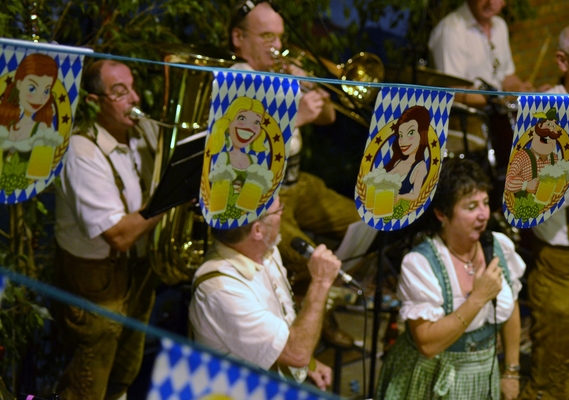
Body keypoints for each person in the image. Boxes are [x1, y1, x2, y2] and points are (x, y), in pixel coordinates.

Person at [228, 0, 363, 347]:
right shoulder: (235, 81)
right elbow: (244, 156)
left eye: (281, 37)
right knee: (308, 261)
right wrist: (296, 117)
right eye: (267, 37)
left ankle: (318, 307)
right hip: (260, 195)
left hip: (297, 181)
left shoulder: (280, 72)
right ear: (238, 38)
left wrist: (307, 87)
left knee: (365, 226)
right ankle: (300, 321)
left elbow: (329, 117)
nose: (277, 46)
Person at [53, 59, 163, 400]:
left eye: (132, 88)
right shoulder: (81, 150)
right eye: (119, 91)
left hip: (138, 269)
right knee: (90, 378)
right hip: (96, 279)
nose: (134, 98)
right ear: (92, 101)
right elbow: (117, 234)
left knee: (124, 370)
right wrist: (170, 197)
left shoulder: (142, 131)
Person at [376, 158, 525, 400]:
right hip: (428, 379)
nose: (483, 215)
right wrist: (477, 299)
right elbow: (427, 345)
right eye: (470, 207)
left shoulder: (498, 246)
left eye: (485, 203)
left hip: (482, 377)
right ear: (441, 214)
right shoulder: (421, 263)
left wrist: (511, 371)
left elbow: (512, 307)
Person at [520, 20, 569, 399]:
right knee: (551, 388)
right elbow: (543, 194)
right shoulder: (544, 111)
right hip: (563, 270)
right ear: (562, 62)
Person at [189, 196, 340, 390]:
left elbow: (280, 330)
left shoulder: (265, 252)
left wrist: (307, 363)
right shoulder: (222, 291)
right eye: (278, 210)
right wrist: (321, 282)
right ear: (258, 230)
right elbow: (296, 352)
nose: (283, 214)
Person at [0, 53, 64, 185]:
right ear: (19, 84)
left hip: (22, 189)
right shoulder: (7, 123)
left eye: (46, 91)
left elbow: (39, 176)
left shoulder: (42, 130)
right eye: (32, 88)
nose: (39, 98)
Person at [505, 110, 561, 197]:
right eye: (548, 125)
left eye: (553, 126)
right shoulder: (522, 156)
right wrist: (525, 185)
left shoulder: (555, 158)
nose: (550, 129)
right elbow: (508, 183)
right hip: (525, 207)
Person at [383, 105, 429, 202]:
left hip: (397, 211)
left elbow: (416, 195)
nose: (403, 141)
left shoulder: (420, 166)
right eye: (400, 135)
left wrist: (400, 197)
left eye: (411, 133)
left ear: (422, 134)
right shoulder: (398, 161)